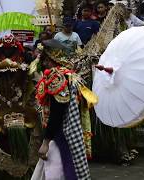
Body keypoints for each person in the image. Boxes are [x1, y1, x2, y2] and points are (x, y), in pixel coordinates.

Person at [32, 39, 93, 180]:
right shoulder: (68, 74)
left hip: (60, 134)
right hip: (65, 132)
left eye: (45, 58)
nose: (43, 62)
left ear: (52, 58)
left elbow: (57, 113)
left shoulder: (57, 77)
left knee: (59, 171)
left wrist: (46, 142)